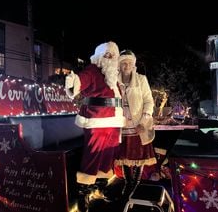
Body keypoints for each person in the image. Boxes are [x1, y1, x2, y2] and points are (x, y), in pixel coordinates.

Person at [65, 41, 125, 211]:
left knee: (108, 155)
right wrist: (73, 81)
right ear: (99, 57)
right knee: (93, 155)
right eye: (106, 54)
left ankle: (99, 187)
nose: (110, 57)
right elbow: (81, 80)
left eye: (112, 55)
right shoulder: (92, 71)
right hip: (97, 121)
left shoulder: (114, 76)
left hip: (114, 121)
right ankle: (84, 192)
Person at [114, 49, 157, 198]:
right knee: (124, 156)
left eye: (129, 63)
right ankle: (128, 182)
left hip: (138, 125)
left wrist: (144, 121)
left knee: (140, 156)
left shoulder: (141, 79)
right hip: (121, 125)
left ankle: (136, 183)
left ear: (134, 65)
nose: (126, 66)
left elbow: (148, 101)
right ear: (119, 65)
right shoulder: (113, 81)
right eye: (124, 63)